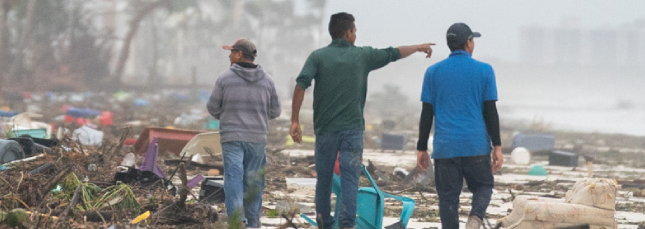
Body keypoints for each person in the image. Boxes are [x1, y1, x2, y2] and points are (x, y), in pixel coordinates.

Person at [289, 13, 436, 229]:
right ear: (348, 33)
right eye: (355, 31)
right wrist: (417, 47)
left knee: (324, 179)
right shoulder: (363, 56)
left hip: (325, 129)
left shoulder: (317, 57)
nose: (356, 34)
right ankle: (347, 225)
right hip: (352, 130)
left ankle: (323, 222)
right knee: (350, 179)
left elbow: (301, 85)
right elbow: (393, 53)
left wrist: (294, 121)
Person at [414, 22, 501, 229]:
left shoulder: (433, 72)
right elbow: (490, 112)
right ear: (468, 43)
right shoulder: (485, 70)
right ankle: (475, 217)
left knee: (448, 199)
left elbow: (427, 114)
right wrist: (497, 146)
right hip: (475, 145)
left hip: (445, 148)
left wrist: (421, 148)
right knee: (484, 186)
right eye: (473, 40)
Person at [207, 38, 283, 229]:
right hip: (257, 139)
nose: (229, 56)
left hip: (232, 137)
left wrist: (228, 115)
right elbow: (275, 112)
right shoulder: (268, 80)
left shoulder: (224, 79)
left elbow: (212, 107)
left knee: (233, 179)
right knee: (254, 182)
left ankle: (237, 221)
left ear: (239, 54)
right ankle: (253, 222)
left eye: (232, 52)